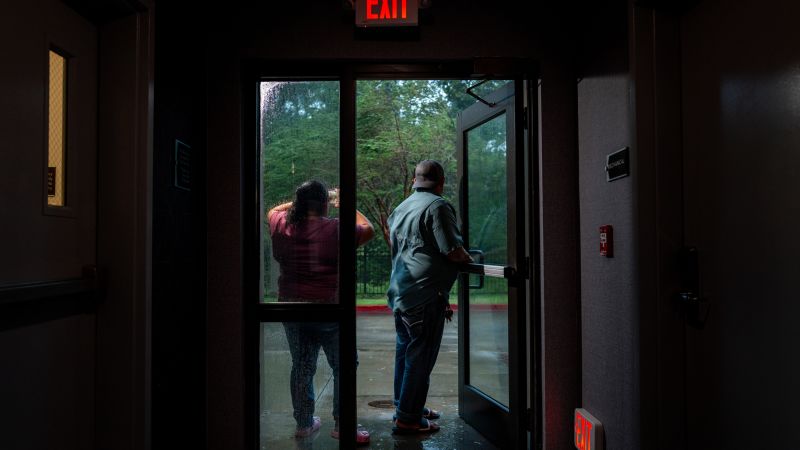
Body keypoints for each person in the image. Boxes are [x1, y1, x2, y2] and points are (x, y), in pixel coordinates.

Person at [267, 180, 374, 445]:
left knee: (302, 366)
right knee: (344, 365)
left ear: (299, 203)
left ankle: (304, 424)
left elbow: (272, 210)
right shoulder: (336, 229)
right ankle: (343, 424)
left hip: (292, 308)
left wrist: (300, 201)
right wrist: (346, 202)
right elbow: (369, 229)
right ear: (325, 203)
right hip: (330, 308)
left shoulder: (281, 224)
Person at [386, 160, 473, 434]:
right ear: (441, 182)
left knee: (405, 352)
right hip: (424, 296)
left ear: (414, 179)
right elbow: (451, 250)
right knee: (419, 358)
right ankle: (408, 418)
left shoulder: (402, 207)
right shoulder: (438, 206)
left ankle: (405, 405)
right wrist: (468, 259)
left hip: (401, 294)